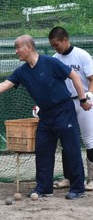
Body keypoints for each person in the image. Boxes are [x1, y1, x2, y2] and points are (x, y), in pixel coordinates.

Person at [0, 34, 91, 200]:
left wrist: (83, 99)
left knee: (71, 149)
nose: (16, 51)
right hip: (45, 115)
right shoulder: (22, 72)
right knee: (42, 151)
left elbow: (74, 76)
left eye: (18, 47)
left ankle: (77, 188)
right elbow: (5, 84)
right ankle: (44, 188)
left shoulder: (51, 62)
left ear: (29, 47)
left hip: (63, 110)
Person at [48, 26, 93, 191]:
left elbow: (91, 78)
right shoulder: (55, 58)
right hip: (66, 103)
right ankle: (69, 177)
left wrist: (88, 96)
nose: (55, 47)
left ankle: (91, 178)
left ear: (65, 40)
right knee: (66, 140)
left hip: (85, 102)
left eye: (57, 44)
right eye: (52, 45)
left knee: (89, 140)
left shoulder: (82, 55)